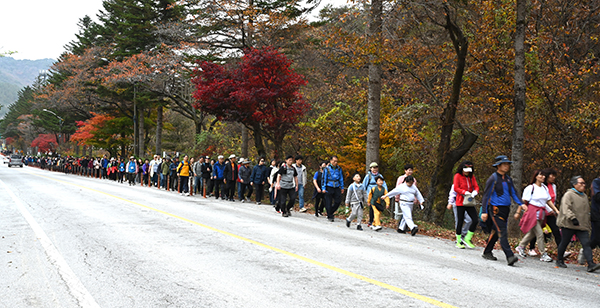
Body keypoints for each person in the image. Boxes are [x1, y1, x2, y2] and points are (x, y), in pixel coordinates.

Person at [480, 155, 522, 266]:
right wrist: (484, 211)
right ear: (498, 166)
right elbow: (486, 196)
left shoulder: (508, 179)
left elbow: (513, 192)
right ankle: (510, 256)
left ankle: (487, 252)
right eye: (504, 164)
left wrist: (521, 204)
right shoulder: (493, 178)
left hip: (506, 210)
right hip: (495, 210)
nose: (507, 166)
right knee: (502, 232)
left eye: (508, 164)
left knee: (495, 232)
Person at [555, 176, 600, 272]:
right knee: (565, 242)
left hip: (581, 225)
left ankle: (591, 264)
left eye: (584, 183)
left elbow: (585, 211)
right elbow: (565, 208)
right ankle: (559, 259)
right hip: (569, 224)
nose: (584, 185)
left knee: (586, 244)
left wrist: (588, 222)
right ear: (574, 184)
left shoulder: (584, 196)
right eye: (581, 183)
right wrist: (573, 218)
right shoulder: (569, 194)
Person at [514, 170, 559, 262]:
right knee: (540, 233)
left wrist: (556, 210)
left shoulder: (544, 188)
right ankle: (543, 254)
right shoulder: (531, 188)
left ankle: (520, 246)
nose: (543, 177)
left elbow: (548, 201)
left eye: (544, 175)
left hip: (541, 213)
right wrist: (518, 212)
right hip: (532, 212)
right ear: (536, 176)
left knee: (532, 232)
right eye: (541, 175)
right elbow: (523, 201)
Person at [528, 168, 564, 257]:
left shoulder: (554, 186)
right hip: (541, 211)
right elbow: (543, 200)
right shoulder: (541, 186)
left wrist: (554, 210)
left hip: (550, 213)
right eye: (551, 175)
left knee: (555, 230)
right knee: (536, 231)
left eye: (554, 176)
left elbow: (552, 200)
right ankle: (531, 248)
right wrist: (549, 209)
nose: (553, 177)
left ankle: (561, 250)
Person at [452, 161, 480, 249]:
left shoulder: (472, 177)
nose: (467, 172)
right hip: (460, 201)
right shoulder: (457, 176)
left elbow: (476, 186)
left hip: (469, 201)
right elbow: (456, 188)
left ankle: (467, 238)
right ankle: (458, 240)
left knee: (475, 219)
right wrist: (464, 192)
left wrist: (475, 191)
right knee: (460, 221)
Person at [363, 162, 388, 226]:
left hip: (379, 194)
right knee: (372, 208)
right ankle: (371, 221)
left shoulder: (380, 176)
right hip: (371, 194)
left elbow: (384, 184)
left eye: (376, 167)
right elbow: (364, 185)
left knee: (378, 208)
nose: (375, 169)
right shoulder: (368, 176)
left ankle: (375, 221)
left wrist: (386, 193)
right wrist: (364, 195)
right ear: (370, 168)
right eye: (373, 168)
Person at [322, 156, 344, 222]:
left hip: (336, 186)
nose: (335, 162)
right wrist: (323, 188)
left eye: (336, 161)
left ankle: (330, 211)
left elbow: (341, 178)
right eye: (334, 161)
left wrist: (342, 187)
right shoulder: (327, 169)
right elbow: (324, 179)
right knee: (328, 202)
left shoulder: (339, 168)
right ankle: (330, 215)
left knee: (338, 201)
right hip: (329, 186)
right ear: (331, 161)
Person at [587, 173, 600, 265]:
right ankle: (585, 251)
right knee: (596, 238)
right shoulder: (596, 182)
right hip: (597, 214)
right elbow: (597, 196)